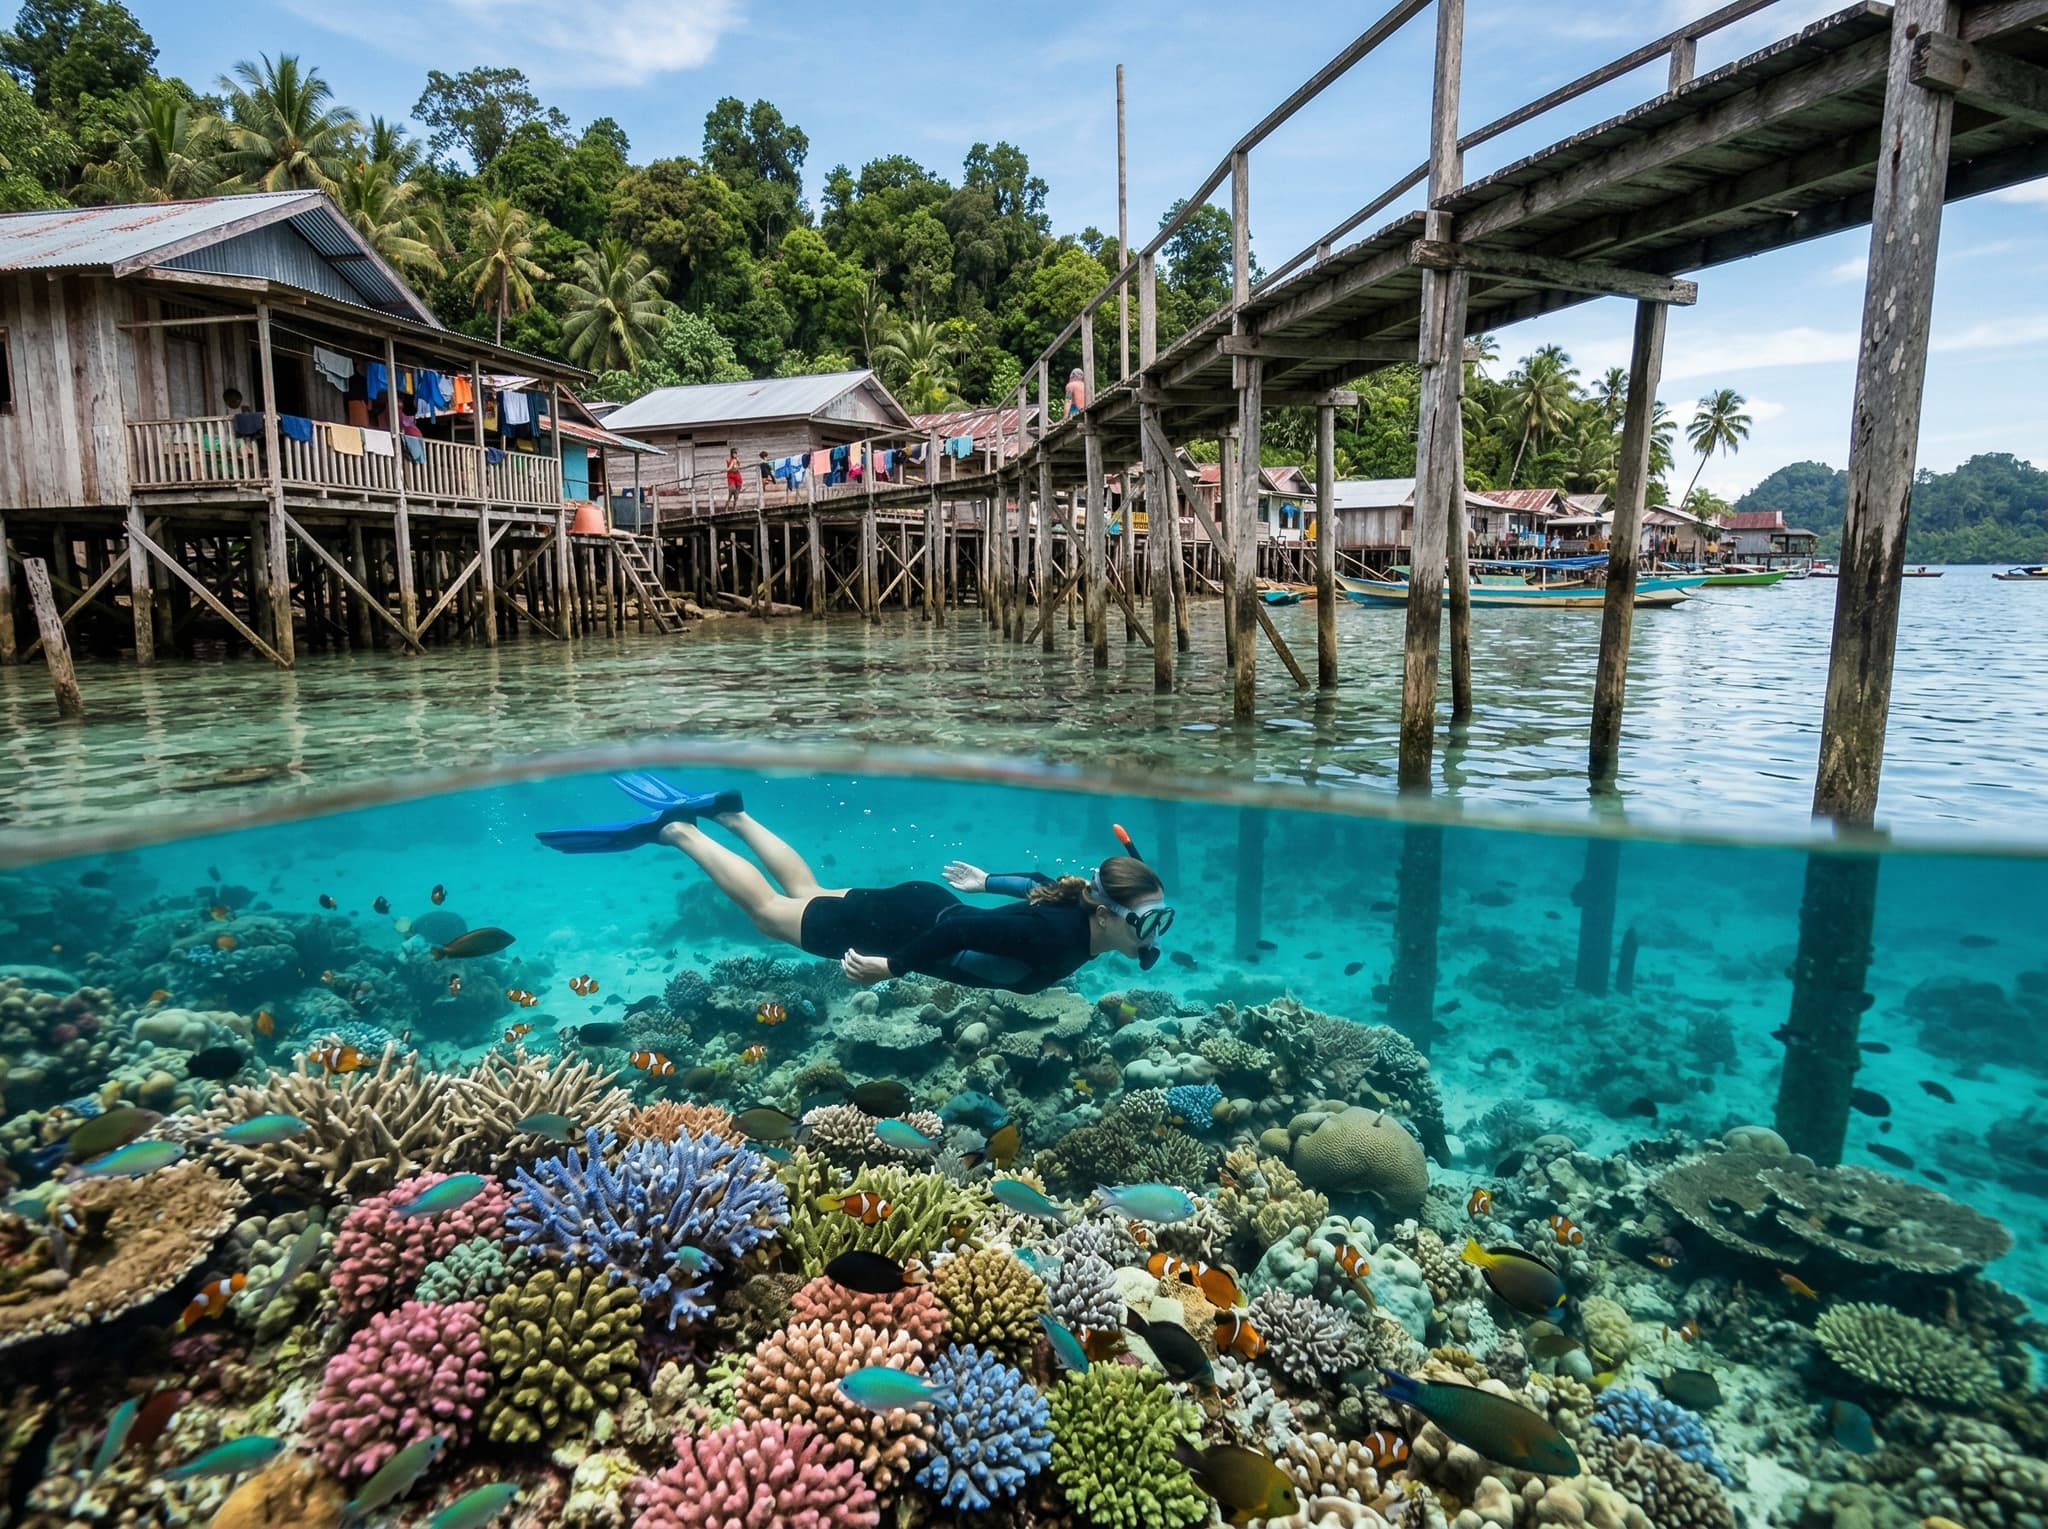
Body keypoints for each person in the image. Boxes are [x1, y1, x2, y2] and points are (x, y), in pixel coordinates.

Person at [535, 774, 1174, 993]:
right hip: (910, 926)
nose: (1153, 937)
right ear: (1105, 913)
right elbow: (964, 930)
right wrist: (891, 968)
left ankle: (731, 811)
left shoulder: (1084, 910)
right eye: (1146, 922)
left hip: (922, 900)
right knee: (767, 911)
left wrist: (986, 879)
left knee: (809, 892)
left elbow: (1041, 881)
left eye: (1160, 921)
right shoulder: (1052, 936)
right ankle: (681, 832)